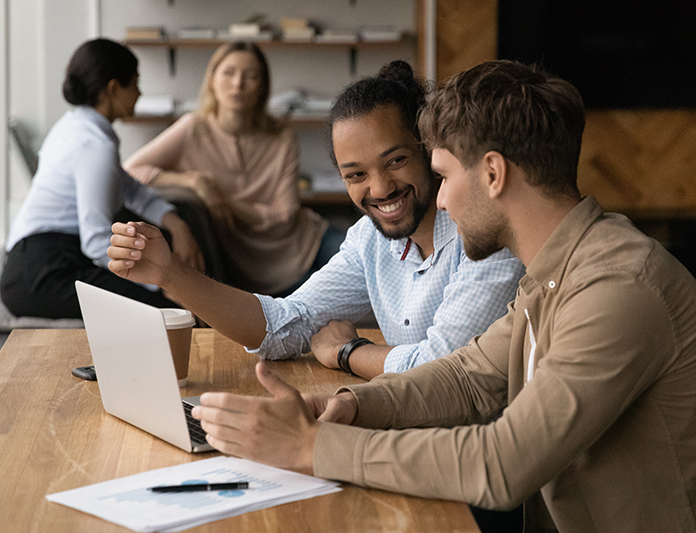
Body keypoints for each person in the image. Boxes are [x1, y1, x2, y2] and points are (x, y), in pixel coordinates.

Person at [187, 60, 696, 533]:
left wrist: (312, 446)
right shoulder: (557, 272)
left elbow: (502, 463)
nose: (443, 198)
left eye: (446, 174)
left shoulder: (618, 287)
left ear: (493, 174)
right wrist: (345, 406)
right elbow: (466, 378)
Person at [107, 60, 524, 380]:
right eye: (356, 175)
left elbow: (441, 366)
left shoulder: (485, 235)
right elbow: (284, 326)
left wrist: (348, 352)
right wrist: (170, 273)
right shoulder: (370, 240)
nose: (379, 189)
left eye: (395, 161)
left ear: (428, 151)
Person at [0, 38, 203, 319]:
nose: (140, 93)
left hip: (33, 262)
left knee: (171, 309)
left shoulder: (77, 125)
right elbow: (96, 239)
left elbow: (129, 187)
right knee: (173, 316)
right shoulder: (95, 146)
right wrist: (158, 284)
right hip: (44, 273)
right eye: (135, 83)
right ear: (113, 89)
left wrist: (176, 224)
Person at [123, 41, 341, 296]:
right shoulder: (193, 128)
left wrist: (222, 200)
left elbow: (285, 216)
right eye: (228, 73)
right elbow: (130, 170)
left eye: (251, 76)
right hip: (247, 265)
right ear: (212, 79)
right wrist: (194, 182)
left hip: (305, 243)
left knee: (370, 261)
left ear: (263, 87)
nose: (238, 84)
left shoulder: (282, 136)